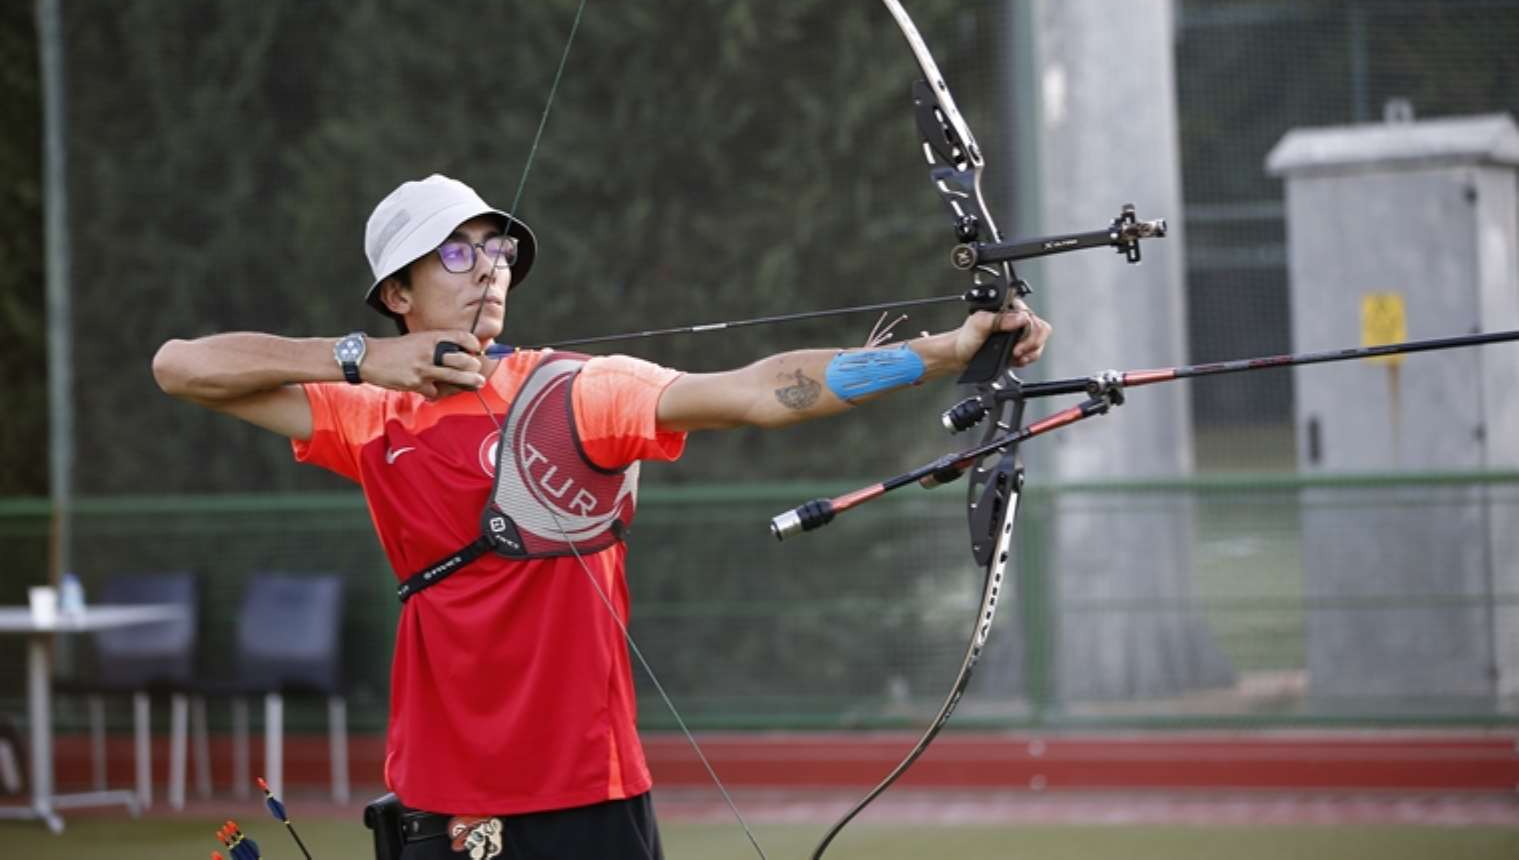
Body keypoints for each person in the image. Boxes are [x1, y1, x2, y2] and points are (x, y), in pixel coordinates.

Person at [152, 174, 1051, 860]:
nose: (487, 272)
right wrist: (361, 361)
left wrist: (940, 353)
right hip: (441, 792)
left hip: (587, 791)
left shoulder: (571, 393)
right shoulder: (367, 414)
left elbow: (756, 394)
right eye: (455, 255)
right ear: (397, 292)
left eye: (494, 251)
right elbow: (178, 367)